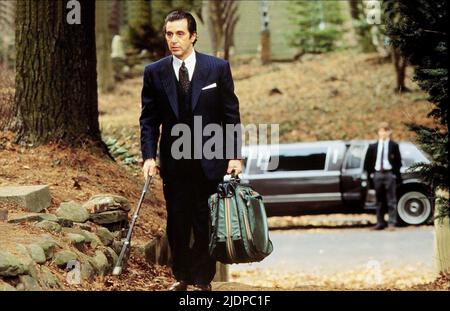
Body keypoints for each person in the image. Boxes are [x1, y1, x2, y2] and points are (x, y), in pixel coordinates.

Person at [139, 10, 242, 291]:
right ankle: (182, 276)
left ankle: (202, 279)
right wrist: (149, 157)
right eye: (169, 34)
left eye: (180, 34)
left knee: (205, 222)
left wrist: (234, 156)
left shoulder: (217, 69)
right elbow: (148, 119)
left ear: (193, 36)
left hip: (210, 161)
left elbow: (231, 116)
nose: (174, 40)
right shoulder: (154, 72)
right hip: (174, 164)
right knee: (177, 223)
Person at [364, 122, 402, 230]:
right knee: (379, 200)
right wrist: (371, 175)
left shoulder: (394, 145)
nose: (384, 133)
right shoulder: (373, 146)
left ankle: (392, 223)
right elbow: (367, 162)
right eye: (381, 131)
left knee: (391, 199)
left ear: (389, 132)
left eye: (386, 130)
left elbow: (398, 161)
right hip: (377, 174)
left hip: (389, 174)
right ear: (378, 132)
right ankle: (380, 222)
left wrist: (395, 174)